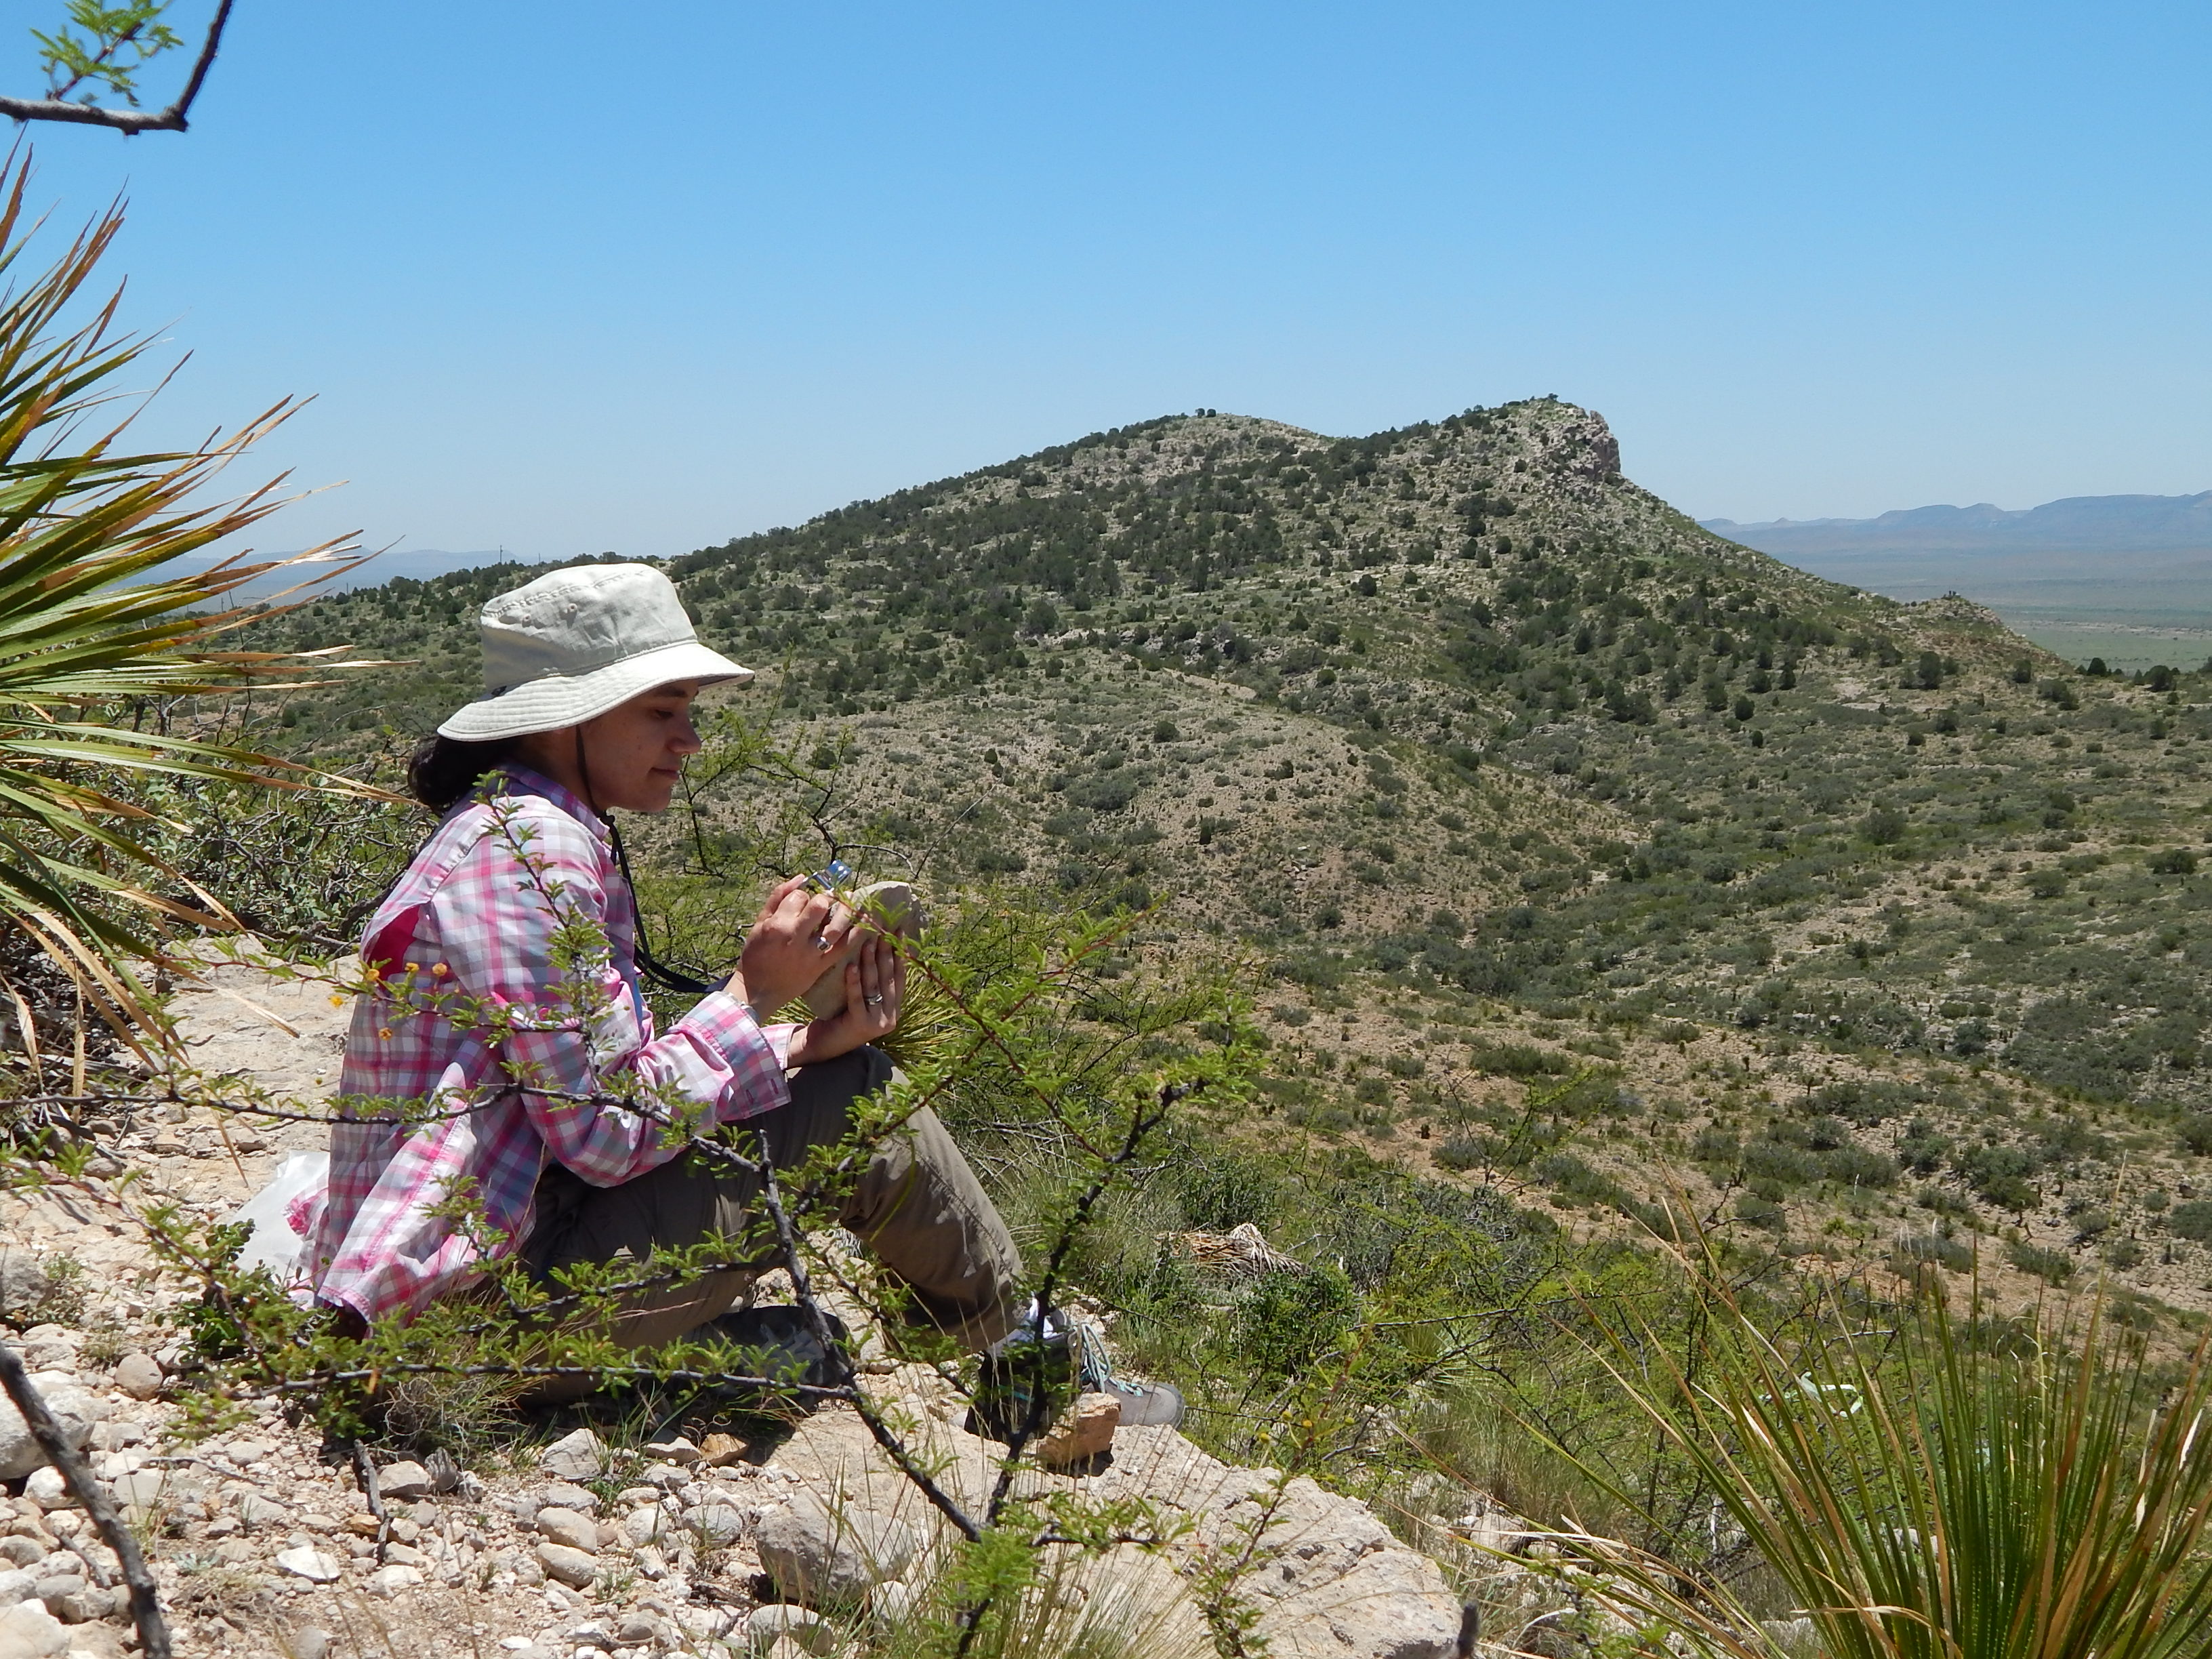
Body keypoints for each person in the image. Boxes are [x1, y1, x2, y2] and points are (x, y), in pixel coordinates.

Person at [305, 562, 1024, 1372]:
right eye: (661, 711)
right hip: (469, 1313)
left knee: (838, 1075)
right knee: (863, 1102)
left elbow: (592, 1086)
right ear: (565, 719)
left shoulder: (519, 829)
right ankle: (1021, 1368)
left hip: (477, 1272)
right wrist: (753, 994)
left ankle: (800, 1354)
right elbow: (604, 1134)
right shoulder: (530, 855)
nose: (689, 739)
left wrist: (804, 1042)